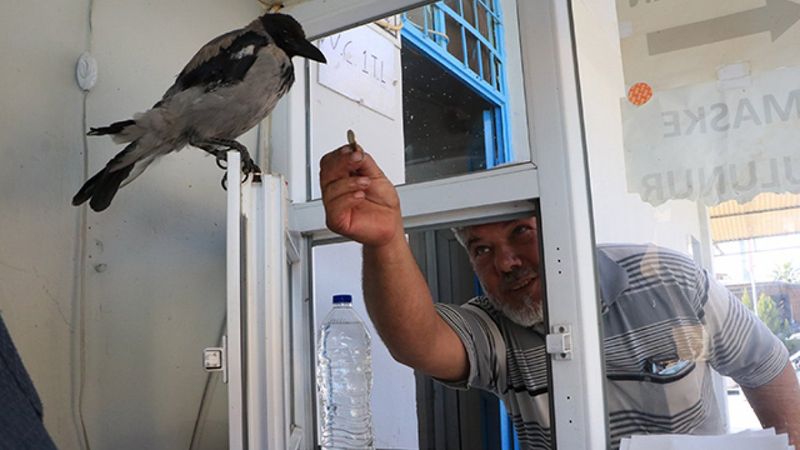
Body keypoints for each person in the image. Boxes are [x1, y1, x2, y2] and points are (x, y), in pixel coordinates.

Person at [318, 143, 800, 449]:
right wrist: (383, 240)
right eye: (482, 249)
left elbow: (765, 367)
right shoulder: (495, 325)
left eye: (521, 233)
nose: (506, 262)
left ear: (565, 227)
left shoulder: (671, 281)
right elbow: (417, 343)